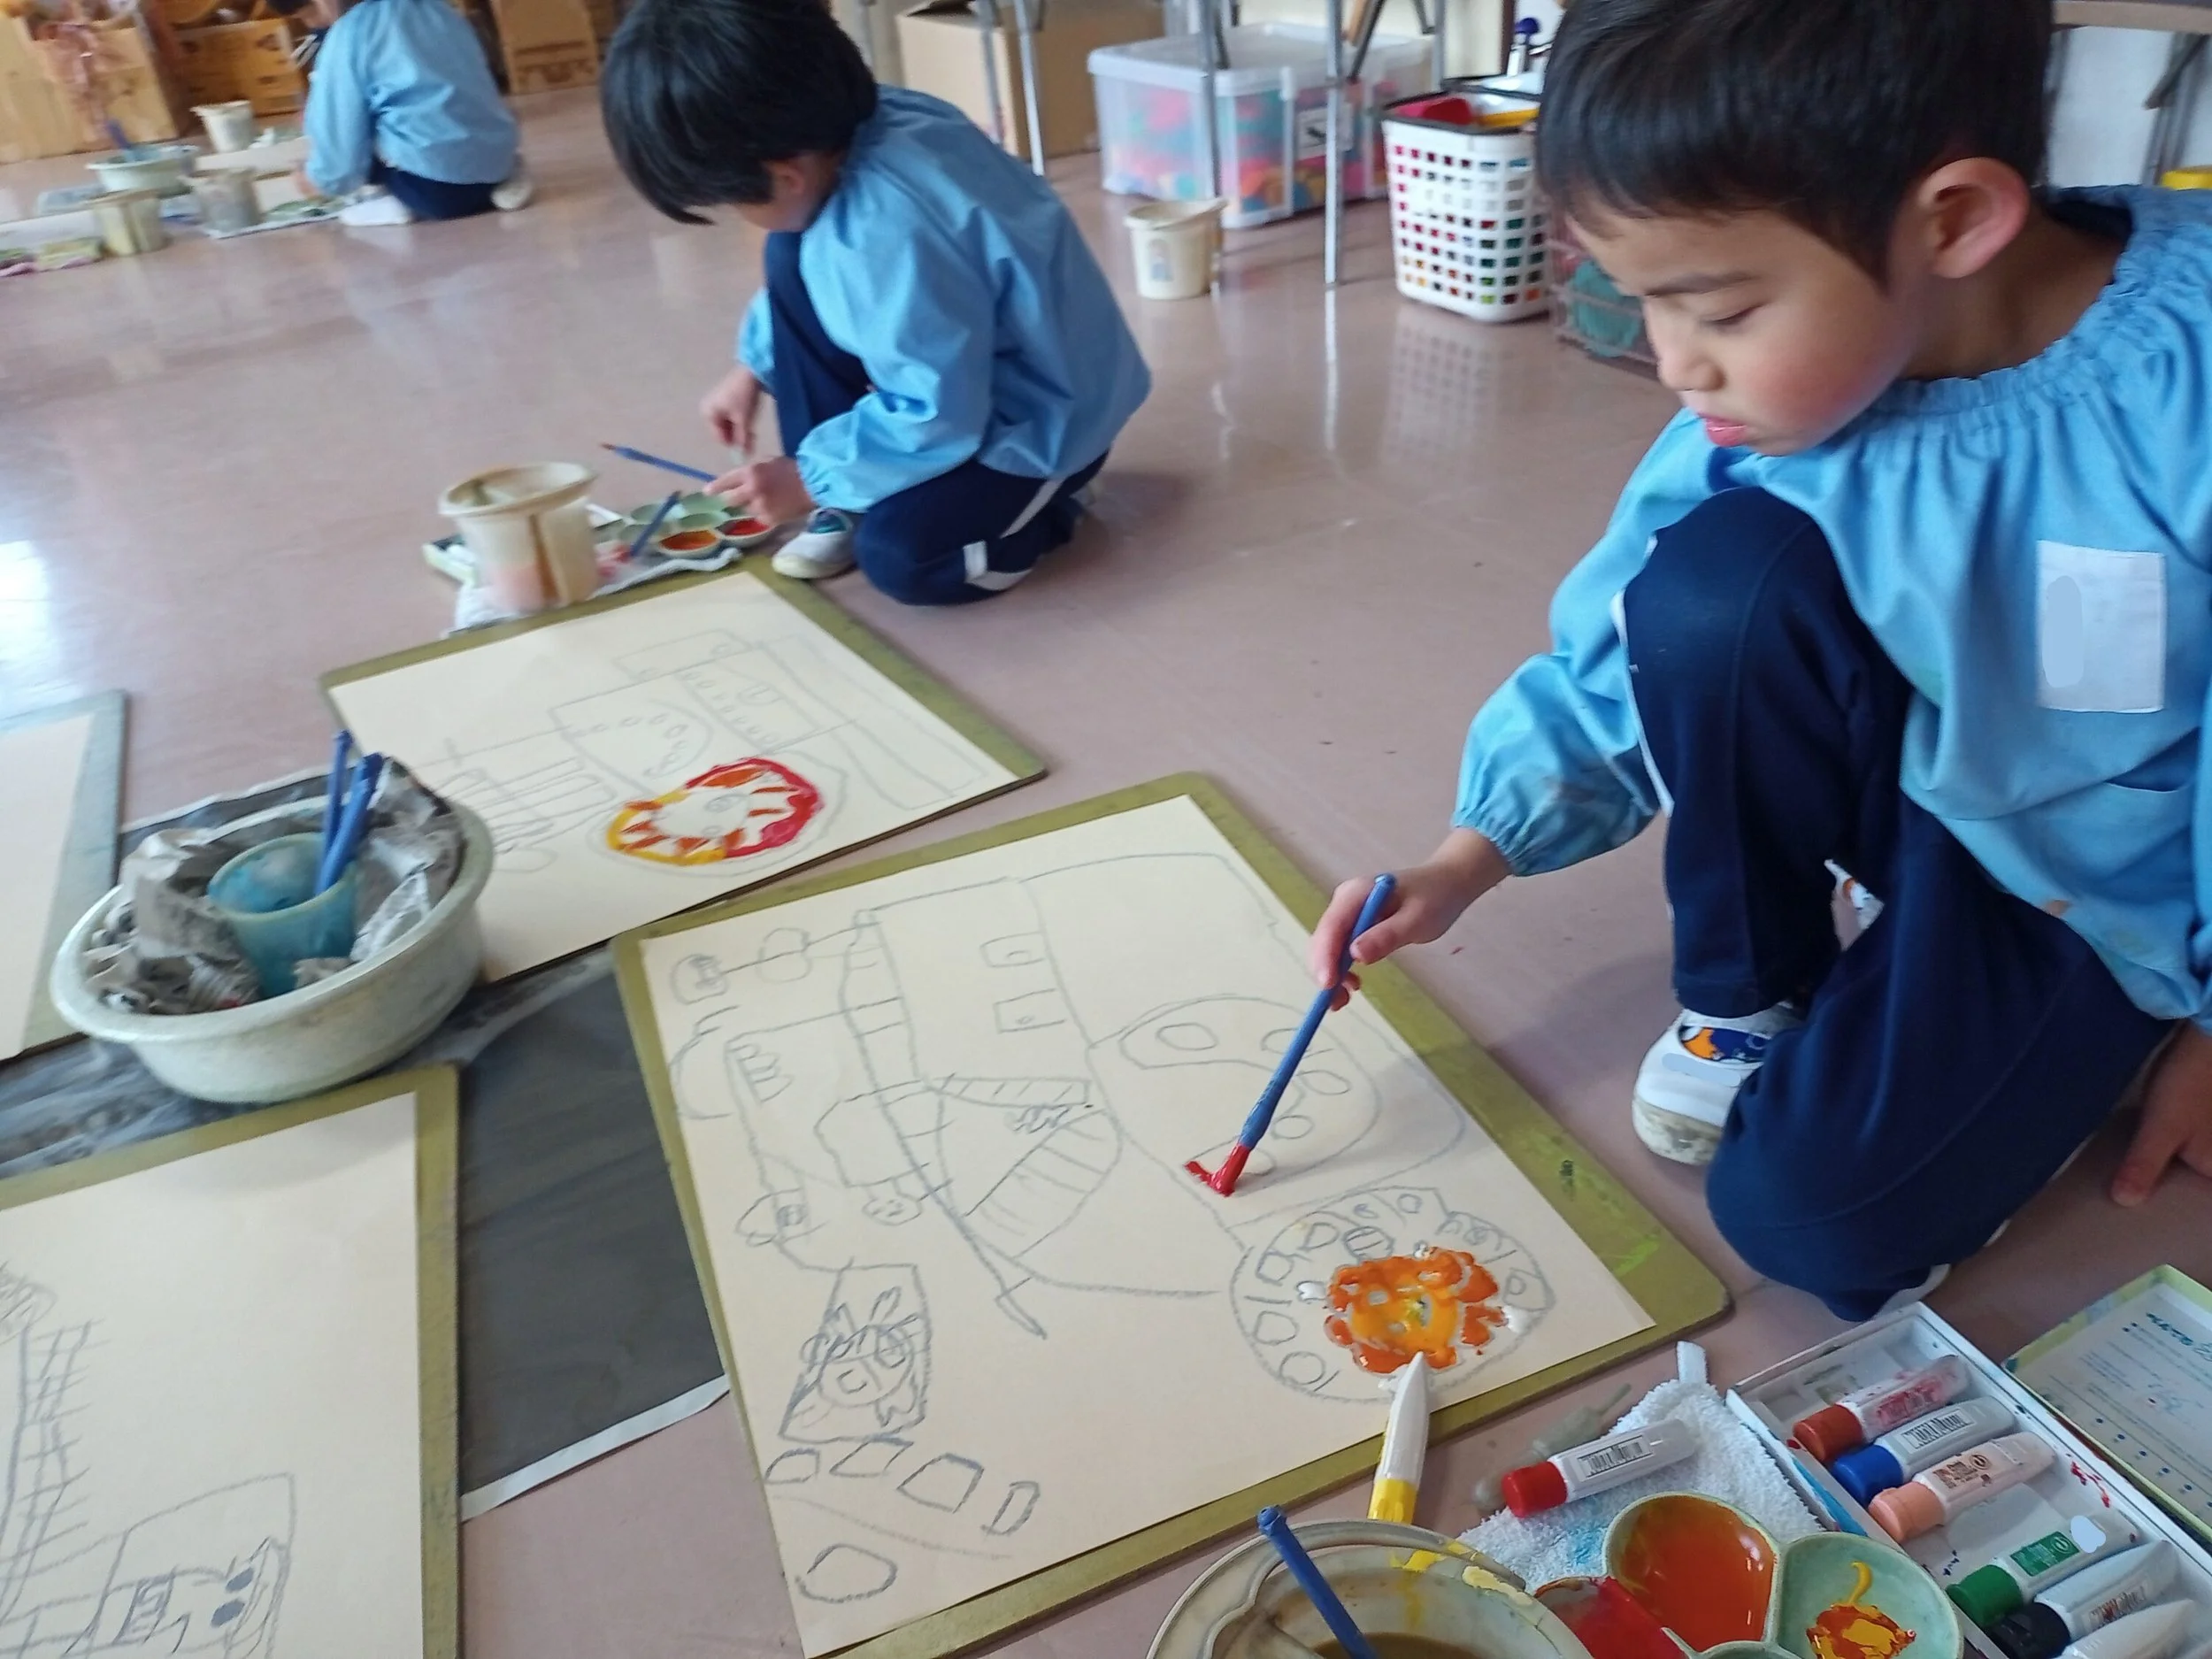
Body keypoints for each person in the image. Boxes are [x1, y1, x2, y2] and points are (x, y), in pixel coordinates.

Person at [1309, 0, 2212, 1321]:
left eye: (1721, 308)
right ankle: (1754, 991)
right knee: (1715, 584)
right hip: (1921, 789)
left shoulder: (2185, 389)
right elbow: (1630, 636)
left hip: (2103, 885)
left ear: (1955, 221)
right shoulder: (1777, 399)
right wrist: (1469, 856)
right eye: (1644, 300)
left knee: (1811, 1221)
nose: (1673, 363)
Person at [600, 0, 1149, 603]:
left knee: (905, 559)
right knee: (789, 247)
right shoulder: (866, 122)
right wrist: (753, 367)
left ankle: (1055, 505)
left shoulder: (887, 236)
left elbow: (938, 413)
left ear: (785, 176)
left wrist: (809, 478)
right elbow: (813, 291)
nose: (738, 214)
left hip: (1042, 423)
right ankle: (846, 493)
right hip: (978, 383)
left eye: (732, 202)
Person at [278, 0, 533, 226]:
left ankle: (398, 205)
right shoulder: (441, 10)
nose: (312, 24)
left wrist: (317, 178)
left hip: (432, 189)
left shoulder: (350, 31)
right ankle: (501, 181)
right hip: (497, 166)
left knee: (351, 130)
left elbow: (339, 132)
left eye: (309, 14)